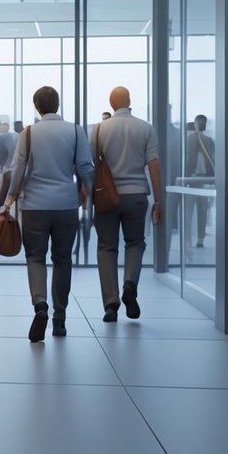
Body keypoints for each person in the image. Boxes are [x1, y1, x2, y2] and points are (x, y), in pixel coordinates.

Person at [3, 86, 93, 341]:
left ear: (37, 107)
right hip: (66, 205)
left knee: (35, 257)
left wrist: (10, 197)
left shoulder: (28, 133)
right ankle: (60, 318)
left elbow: (17, 169)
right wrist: (90, 195)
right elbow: (85, 168)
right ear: (58, 104)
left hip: (34, 206)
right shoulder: (75, 131)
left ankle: (40, 305)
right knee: (63, 260)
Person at [91, 86, 162, 323]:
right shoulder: (146, 128)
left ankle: (111, 304)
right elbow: (153, 164)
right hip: (137, 194)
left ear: (111, 104)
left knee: (106, 248)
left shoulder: (99, 129)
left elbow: (91, 165)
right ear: (129, 101)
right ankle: (130, 285)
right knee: (135, 243)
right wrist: (158, 200)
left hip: (107, 197)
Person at [185, 114, 215, 248]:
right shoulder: (209, 140)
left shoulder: (189, 139)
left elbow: (186, 160)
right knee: (202, 209)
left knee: (189, 210)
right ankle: (200, 238)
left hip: (191, 178)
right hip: (205, 179)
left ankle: (188, 239)